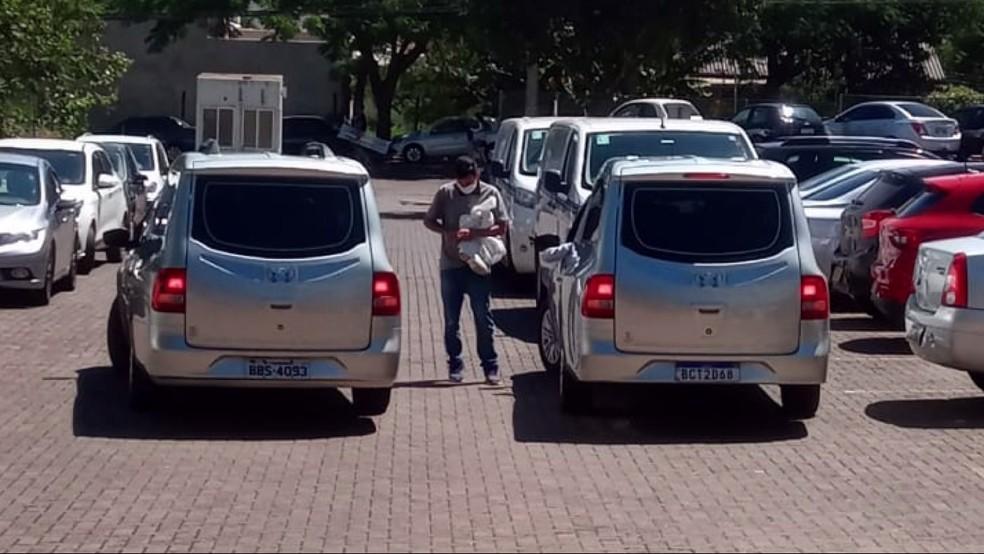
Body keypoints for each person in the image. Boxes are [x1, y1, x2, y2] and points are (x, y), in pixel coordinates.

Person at [424, 156, 510, 384]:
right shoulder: (445, 193)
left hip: (480, 265)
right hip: (451, 264)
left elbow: (503, 225)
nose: (465, 185)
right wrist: (448, 233)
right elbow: (429, 220)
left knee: (483, 316)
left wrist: (476, 234)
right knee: (451, 319)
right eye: (461, 182)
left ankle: (490, 366)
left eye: (469, 180)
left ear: (477, 175)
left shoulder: (491, 193)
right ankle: (455, 364)